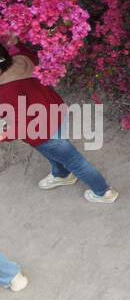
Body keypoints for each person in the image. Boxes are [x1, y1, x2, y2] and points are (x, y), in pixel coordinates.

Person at [0, 41, 118, 203]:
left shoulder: (3, 92)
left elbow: (21, 125)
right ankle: (62, 174)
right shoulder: (22, 59)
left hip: (40, 131)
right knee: (53, 151)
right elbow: (20, 47)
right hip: (55, 111)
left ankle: (103, 192)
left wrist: (3, 136)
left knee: (75, 162)